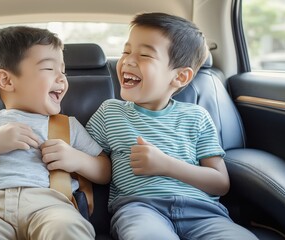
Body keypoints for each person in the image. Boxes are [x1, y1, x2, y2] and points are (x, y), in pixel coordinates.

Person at [86, 12, 258, 240]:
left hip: (204, 214)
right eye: (126, 51)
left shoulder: (197, 117)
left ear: (180, 77)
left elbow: (220, 183)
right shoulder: (110, 112)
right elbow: (86, 155)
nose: (127, 60)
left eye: (145, 55)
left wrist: (165, 165)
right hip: (140, 208)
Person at [0, 26, 111, 239]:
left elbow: (104, 171)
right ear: (7, 80)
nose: (62, 78)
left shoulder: (68, 126)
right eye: (49, 69)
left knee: (67, 228)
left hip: (52, 207)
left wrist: (76, 159)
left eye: (63, 71)